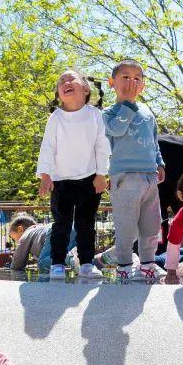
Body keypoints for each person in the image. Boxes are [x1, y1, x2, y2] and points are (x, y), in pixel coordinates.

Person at [37, 69, 110, 280]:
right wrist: (45, 175)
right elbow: (48, 147)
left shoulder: (95, 115)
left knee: (86, 224)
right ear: (59, 93)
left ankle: (87, 263)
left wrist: (101, 174)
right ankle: (57, 264)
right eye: (61, 81)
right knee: (61, 224)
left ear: (85, 88)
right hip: (61, 181)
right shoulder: (56, 117)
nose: (66, 82)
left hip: (89, 179)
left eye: (71, 78)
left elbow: (102, 146)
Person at [102, 59, 166, 281]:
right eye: (125, 77)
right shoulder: (109, 112)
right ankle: (124, 265)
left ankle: (148, 263)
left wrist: (160, 162)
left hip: (150, 177)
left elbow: (154, 140)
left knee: (152, 224)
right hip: (124, 177)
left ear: (143, 85)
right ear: (112, 82)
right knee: (126, 224)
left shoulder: (147, 111)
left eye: (137, 78)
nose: (131, 82)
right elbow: (116, 131)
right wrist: (127, 104)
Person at [8, 213, 76, 271]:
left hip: (54, 231)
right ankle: (78, 257)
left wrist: (11, 268)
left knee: (42, 263)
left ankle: (71, 258)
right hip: (73, 228)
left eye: (14, 238)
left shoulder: (27, 233)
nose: (16, 242)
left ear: (20, 229)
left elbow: (17, 264)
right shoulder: (39, 230)